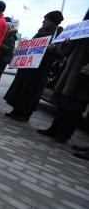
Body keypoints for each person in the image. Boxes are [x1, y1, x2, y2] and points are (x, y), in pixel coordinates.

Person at [37, 9, 89, 144]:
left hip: (84, 76)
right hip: (69, 73)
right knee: (62, 103)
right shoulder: (82, 28)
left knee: (74, 107)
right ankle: (54, 129)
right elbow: (64, 52)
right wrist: (66, 43)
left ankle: (64, 134)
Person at [4, 10, 64, 120]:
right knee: (21, 87)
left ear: (52, 21)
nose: (43, 21)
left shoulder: (58, 33)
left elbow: (61, 52)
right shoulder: (41, 31)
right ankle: (16, 109)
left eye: (46, 20)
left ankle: (25, 113)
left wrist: (53, 48)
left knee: (31, 90)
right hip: (28, 66)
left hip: (40, 69)